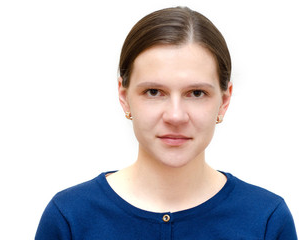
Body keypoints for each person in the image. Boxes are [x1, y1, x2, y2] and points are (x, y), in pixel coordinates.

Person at [35, 6, 297, 239]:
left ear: (224, 101)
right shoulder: (70, 217)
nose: (175, 116)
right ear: (124, 97)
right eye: (153, 92)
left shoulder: (266, 220)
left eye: (196, 93)